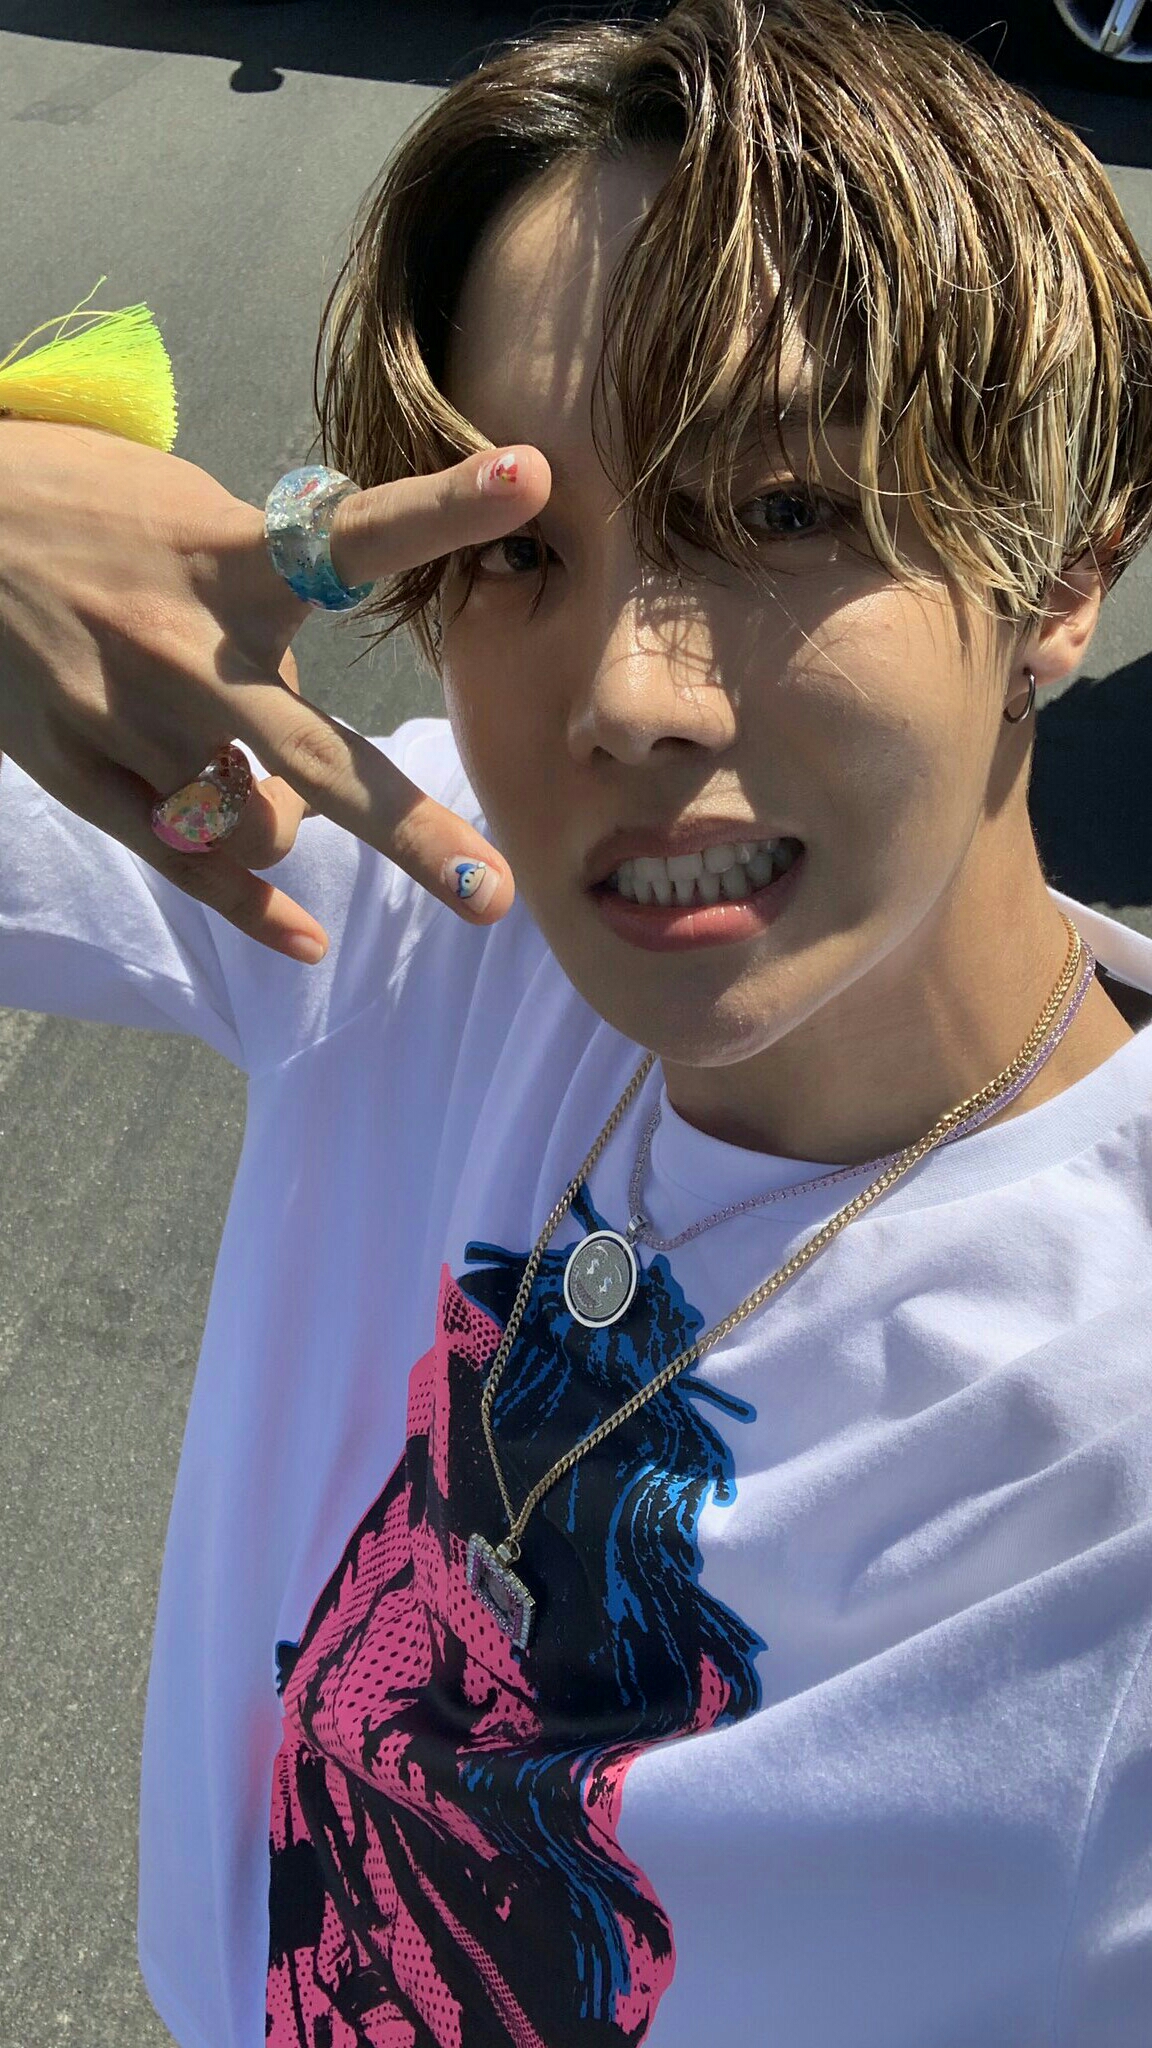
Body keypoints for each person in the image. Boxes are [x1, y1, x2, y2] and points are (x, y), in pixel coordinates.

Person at [2, 0, 1152, 2040]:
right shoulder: (426, 899)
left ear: (1064, 568)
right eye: (521, 547)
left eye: (783, 509)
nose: (628, 693)